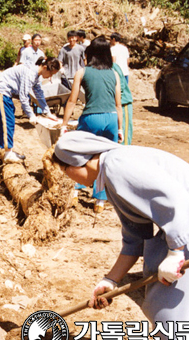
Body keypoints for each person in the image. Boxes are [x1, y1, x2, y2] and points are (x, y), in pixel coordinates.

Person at [52, 130, 189, 340]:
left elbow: (172, 198)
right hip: (186, 230)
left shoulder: (117, 165)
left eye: (65, 170)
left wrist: (176, 252)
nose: (70, 177)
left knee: (173, 314)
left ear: (77, 161)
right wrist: (110, 281)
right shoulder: (112, 173)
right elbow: (135, 237)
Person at [60, 36, 123, 213]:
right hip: (111, 118)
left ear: (90, 54)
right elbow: (118, 104)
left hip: (91, 117)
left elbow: (72, 101)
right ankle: (100, 201)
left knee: (81, 155)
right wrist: (120, 128)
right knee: (105, 159)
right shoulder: (115, 74)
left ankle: (75, 191)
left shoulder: (82, 72)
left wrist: (64, 124)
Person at [0, 57, 61, 164]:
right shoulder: (30, 74)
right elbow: (23, 97)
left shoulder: (36, 74)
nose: (51, 77)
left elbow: (39, 93)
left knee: (10, 119)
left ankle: (8, 151)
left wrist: (47, 112)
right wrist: (31, 115)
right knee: (6, 121)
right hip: (0, 89)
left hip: (5, 92)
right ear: (45, 67)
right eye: (51, 74)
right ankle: (8, 153)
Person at [113, 63, 133, 145]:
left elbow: (120, 87)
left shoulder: (113, 67)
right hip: (113, 105)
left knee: (124, 134)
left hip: (123, 103)